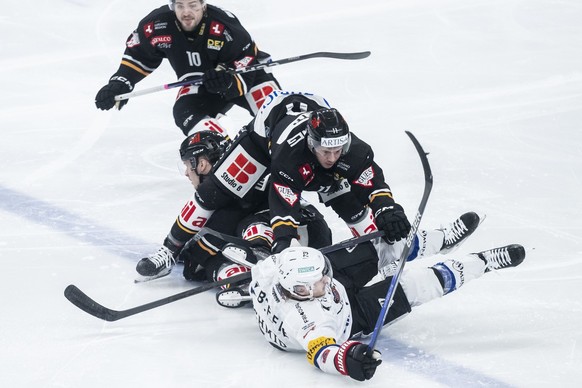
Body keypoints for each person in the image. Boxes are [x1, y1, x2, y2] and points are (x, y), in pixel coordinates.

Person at [157, 90, 428, 256]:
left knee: (346, 197)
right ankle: (169, 250)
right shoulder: (289, 155)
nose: (332, 158)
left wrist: (387, 209)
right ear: (311, 143)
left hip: (306, 120)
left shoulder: (349, 149)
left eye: (338, 151)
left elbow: (371, 180)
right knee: (213, 192)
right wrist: (284, 242)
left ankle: (384, 249)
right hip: (261, 141)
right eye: (326, 152)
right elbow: (284, 200)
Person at [248, 238, 527, 381]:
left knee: (377, 246)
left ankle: (440, 238)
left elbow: (264, 263)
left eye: (324, 274)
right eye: (320, 280)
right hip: (352, 317)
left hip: (333, 297)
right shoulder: (307, 319)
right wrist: (350, 360)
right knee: (417, 285)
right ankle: (482, 263)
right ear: (301, 291)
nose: (326, 279)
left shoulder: (272, 271)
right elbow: (322, 352)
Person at [135, 130, 332, 282]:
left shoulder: (227, 189)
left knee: (219, 246)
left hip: (298, 235)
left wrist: (184, 250)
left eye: (188, 165)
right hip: (311, 234)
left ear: (201, 164)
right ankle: (241, 278)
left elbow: (196, 262)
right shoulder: (244, 173)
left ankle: (259, 262)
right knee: (225, 248)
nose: (187, 172)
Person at [95, 0, 280, 136]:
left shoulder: (225, 26)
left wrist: (228, 81)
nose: (186, 12)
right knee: (184, 112)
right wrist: (120, 83)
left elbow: (246, 59)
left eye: (193, 5)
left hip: (245, 75)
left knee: (278, 115)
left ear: (203, 5)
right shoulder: (156, 26)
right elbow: (138, 55)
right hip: (198, 82)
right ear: (172, 5)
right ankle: (218, 148)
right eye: (180, 5)